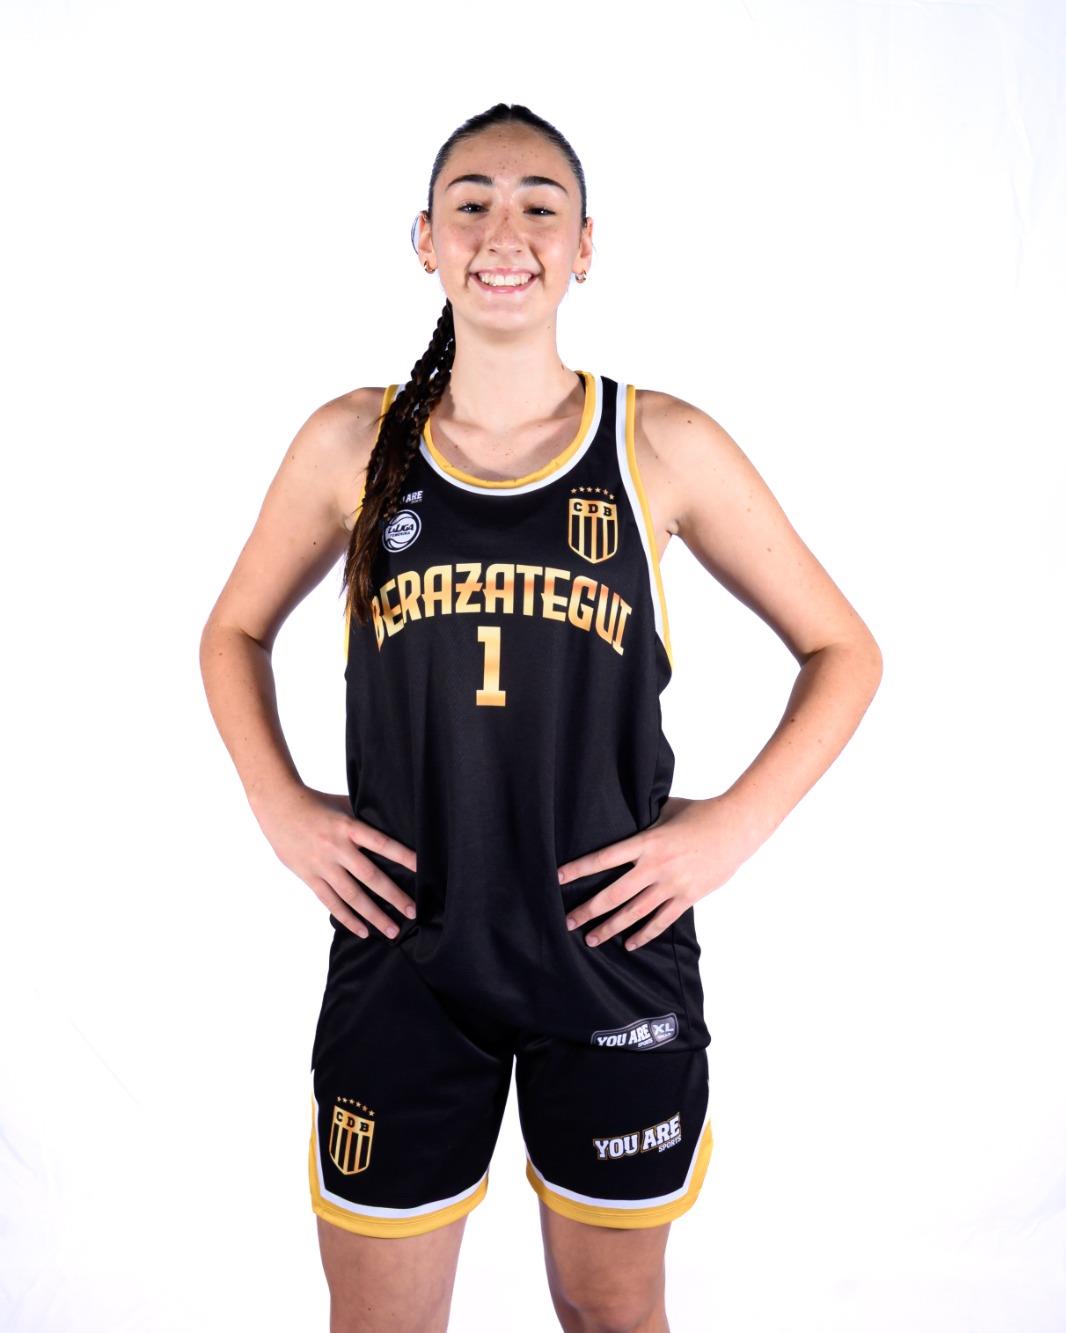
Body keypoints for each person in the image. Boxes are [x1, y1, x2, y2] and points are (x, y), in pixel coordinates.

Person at [200, 102, 882, 1333]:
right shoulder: (354, 442)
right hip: (406, 947)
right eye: (469, 204)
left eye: (537, 205)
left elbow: (844, 650)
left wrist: (726, 831)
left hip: (609, 951)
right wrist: (280, 805)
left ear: (584, 246)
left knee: (612, 1314)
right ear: (424, 240)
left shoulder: (660, 443)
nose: (501, 232)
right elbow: (232, 630)